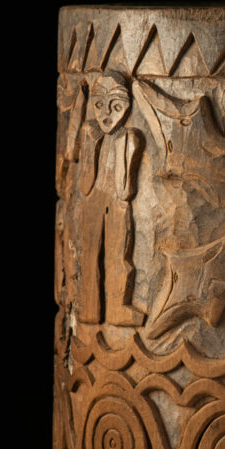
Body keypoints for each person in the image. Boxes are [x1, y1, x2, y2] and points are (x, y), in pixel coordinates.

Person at [76, 71, 145, 326]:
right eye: (98, 105)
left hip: (117, 204)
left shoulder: (129, 137)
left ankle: (117, 309)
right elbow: (84, 183)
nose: (106, 114)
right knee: (89, 252)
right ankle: (88, 307)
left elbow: (125, 189)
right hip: (93, 202)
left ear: (127, 107)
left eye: (116, 107)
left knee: (118, 255)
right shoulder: (89, 132)